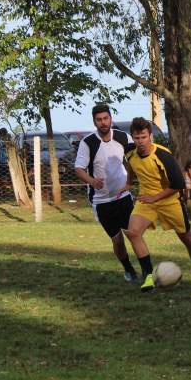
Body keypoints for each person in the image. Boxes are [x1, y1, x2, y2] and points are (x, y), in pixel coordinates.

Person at [120, 117, 191, 291]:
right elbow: (131, 165)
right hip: (146, 199)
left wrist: (155, 198)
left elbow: (178, 185)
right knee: (133, 232)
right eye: (137, 138)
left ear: (150, 136)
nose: (140, 141)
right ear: (133, 138)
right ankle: (147, 276)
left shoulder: (162, 155)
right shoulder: (130, 152)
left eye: (144, 137)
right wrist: (128, 183)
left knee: (186, 237)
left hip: (169, 200)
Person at [75, 105, 140, 283]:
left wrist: (129, 182)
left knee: (133, 233)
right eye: (99, 119)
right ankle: (128, 269)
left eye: (106, 118)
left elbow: (135, 160)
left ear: (111, 118)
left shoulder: (122, 137)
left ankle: (147, 270)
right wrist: (92, 181)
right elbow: (79, 169)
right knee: (117, 240)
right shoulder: (88, 142)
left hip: (123, 196)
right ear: (94, 121)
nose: (103, 122)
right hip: (101, 200)